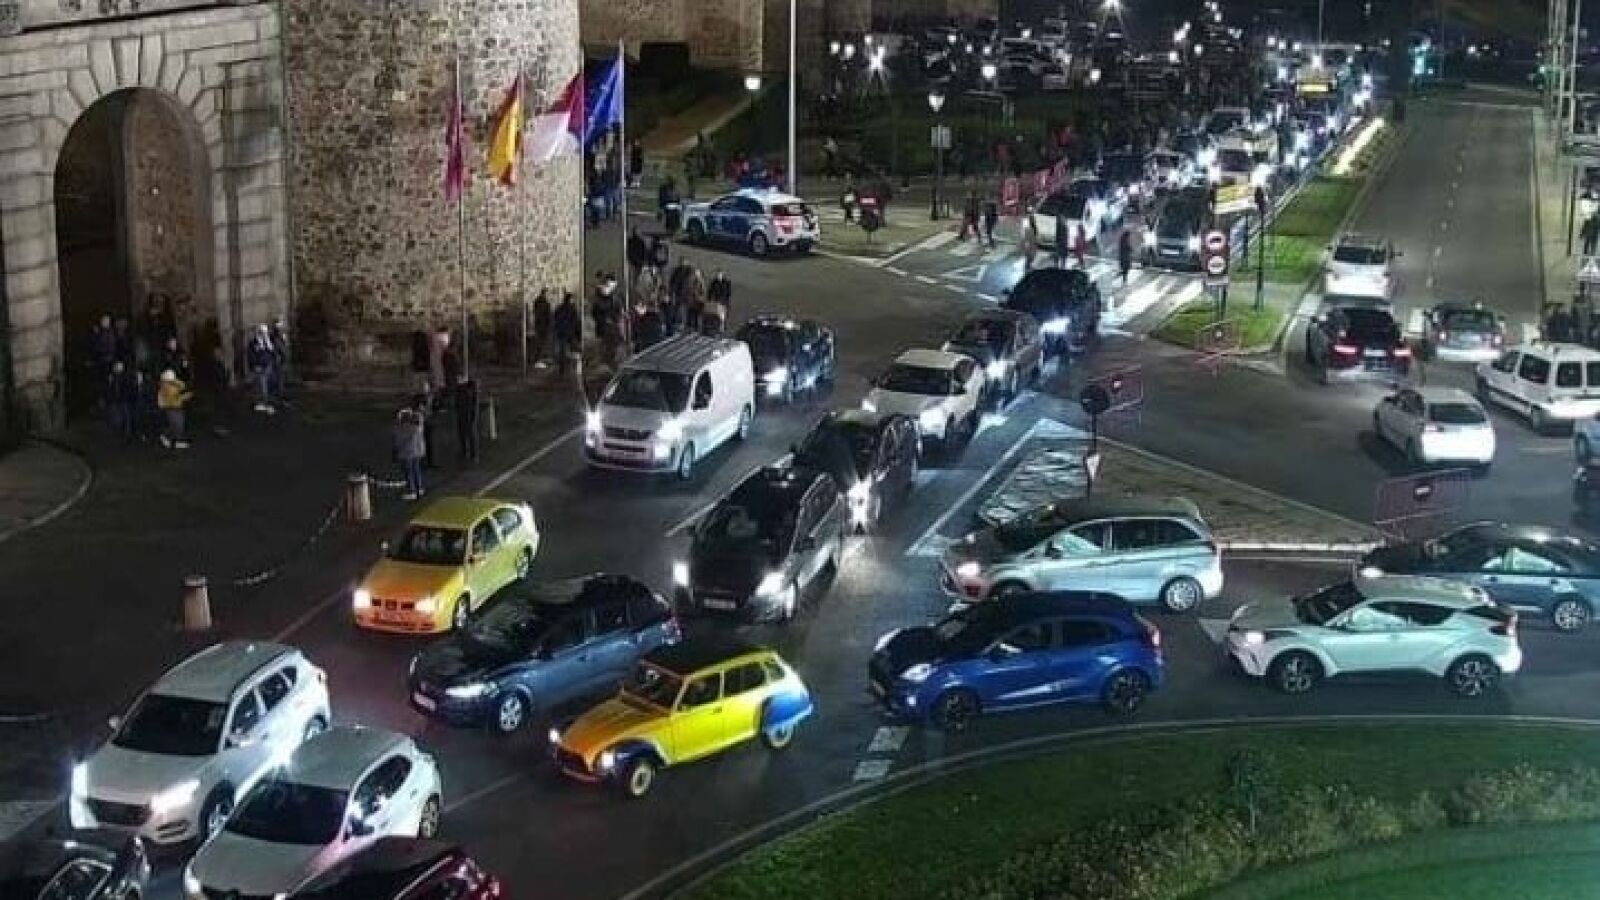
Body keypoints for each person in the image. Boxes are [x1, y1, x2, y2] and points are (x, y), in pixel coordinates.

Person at [393, 406, 426, 501]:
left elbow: (398, 441)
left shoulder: (403, 429)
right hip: (417, 452)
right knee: (416, 471)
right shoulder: (418, 426)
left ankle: (412, 491)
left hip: (407, 453)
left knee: (408, 473)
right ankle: (419, 488)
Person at [156, 369, 192, 449]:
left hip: (174, 407)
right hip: (172, 407)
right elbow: (172, 400)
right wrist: (184, 397)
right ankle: (172, 439)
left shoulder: (170, 384)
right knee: (177, 424)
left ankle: (171, 439)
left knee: (177, 424)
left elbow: (182, 386)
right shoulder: (166, 387)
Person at [246, 323, 278, 413]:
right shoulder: (253, 343)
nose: (264, 334)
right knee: (261, 386)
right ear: (259, 332)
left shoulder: (268, 342)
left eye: (265, 332)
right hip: (259, 367)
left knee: (269, 385)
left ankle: (267, 402)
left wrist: (269, 345)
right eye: (262, 332)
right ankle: (261, 403)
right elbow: (250, 355)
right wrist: (255, 365)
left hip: (268, 367)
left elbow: (273, 353)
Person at [107, 360, 136, 443]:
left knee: (125, 417)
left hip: (124, 399)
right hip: (121, 399)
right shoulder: (116, 378)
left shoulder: (123, 378)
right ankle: (125, 433)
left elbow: (124, 389)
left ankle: (127, 434)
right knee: (124, 417)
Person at [553, 292, 581, 377]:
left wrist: (556, 330)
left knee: (562, 350)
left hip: (561, 332)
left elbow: (555, 320)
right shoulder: (572, 309)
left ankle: (562, 367)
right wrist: (578, 333)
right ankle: (571, 367)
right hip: (570, 332)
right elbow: (576, 321)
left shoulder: (559, 308)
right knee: (573, 350)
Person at [453, 374, 480, 464]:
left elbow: (475, 405)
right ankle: (466, 452)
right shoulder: (460, 390)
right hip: (463, 415)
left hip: (468, 415)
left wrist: (474, 417)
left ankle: (473, 454)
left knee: (470, 435)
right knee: (464, 435)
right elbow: (457, 403)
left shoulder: (470, 391)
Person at [411, 389, 436, 469]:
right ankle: (423, 462)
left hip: (426, 425)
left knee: (428, 444)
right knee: (423, 444)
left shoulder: (427, 402)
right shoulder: (421, 403)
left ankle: (428, 462)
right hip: (422, 426)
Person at [531, 289, 553, 370]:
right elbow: (547, 315)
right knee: (541, 343)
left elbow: (535, 313)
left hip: (539, 325)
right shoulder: (544, 303)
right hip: (543, 325)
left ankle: (539, 359)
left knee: (540, 343)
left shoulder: (537, 302)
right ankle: (539, 359)